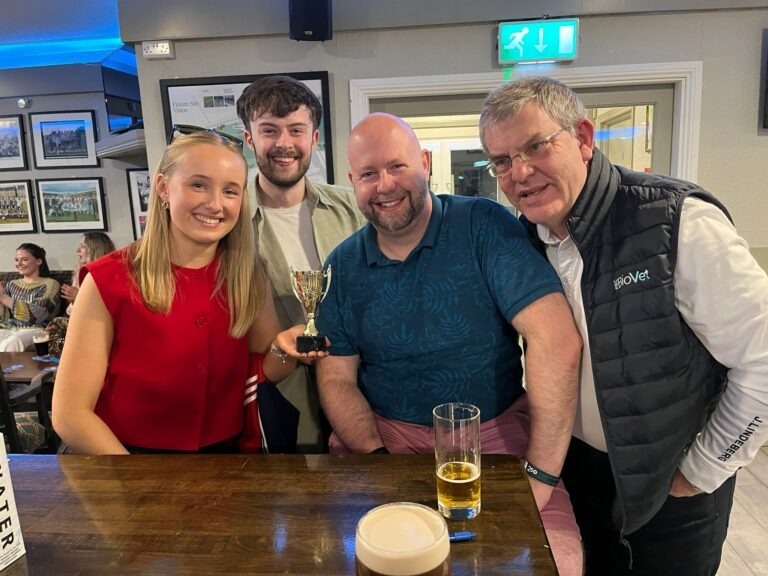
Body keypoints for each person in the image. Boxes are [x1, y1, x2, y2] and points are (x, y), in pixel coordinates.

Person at [479, 76, 768, 575]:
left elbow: (762, 360)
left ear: (583, 138)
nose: (520, 172)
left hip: (671, 483)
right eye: (501, 161)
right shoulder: (524, 241)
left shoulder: (676, 221)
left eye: (536, 146)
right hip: (579, 473)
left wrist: (702, 470)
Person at [314, 112, 584, 575]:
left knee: (557, 561)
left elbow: (556, 340)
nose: (384, 185)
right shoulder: (341, 266)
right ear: (353, 182)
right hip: (382, 438)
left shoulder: (484, 225)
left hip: (496, 437)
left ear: (424, 162)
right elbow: (337, 378)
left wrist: (540, 475)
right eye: (368, 174)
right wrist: (378, 459)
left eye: (397, 166)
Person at [52, 129, 322, 455]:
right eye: (198, 185)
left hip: (226, 460)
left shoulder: (250, 274)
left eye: (230, 191)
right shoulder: (106, 279)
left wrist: (284, 348)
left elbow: (263, 375)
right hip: (125, 458)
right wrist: (137, 481)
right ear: (163, 188)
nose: (215, 204)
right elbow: (70, 415)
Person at [236, 75, 366, 452]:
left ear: (314, 138)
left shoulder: (354, 210)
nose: (284, 143)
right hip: (282, 401)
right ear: (249, 139)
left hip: (363, 391)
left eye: (296, 130)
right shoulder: (230, 222)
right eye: (269, 130)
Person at [0, 243, 60, 334]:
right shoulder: (11, 284)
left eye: (25, 259)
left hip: (38, 333)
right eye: (17, 260)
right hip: (9, 331)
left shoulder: (51, 284)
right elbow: (4, 318)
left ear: (38, 261)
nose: (19, 264)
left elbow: (39, 315)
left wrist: (3, 298)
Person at [61, 232, 116, 315]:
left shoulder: (110, 275)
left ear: (96, 250)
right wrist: (75, 300)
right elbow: (70, 311)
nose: (77, 250)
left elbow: (107, 311)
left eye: (83, 246)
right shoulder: (80, 273)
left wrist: (78, 298)